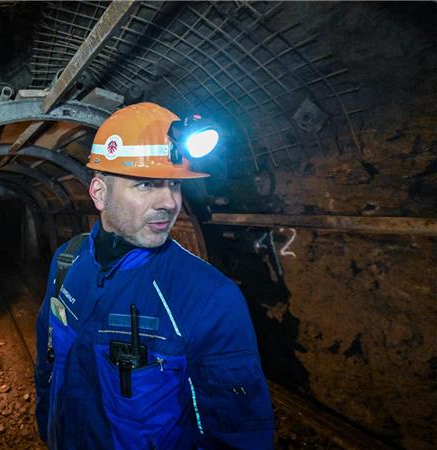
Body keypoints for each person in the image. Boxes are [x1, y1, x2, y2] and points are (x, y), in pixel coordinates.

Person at [34, 103, 274, 449]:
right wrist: (47, 427)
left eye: (174, 184)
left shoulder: (209, 298)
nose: (170, 202)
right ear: (99, 193)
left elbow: (237, 435)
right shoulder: (67, 261)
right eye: (146, 184)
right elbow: (48, 361)